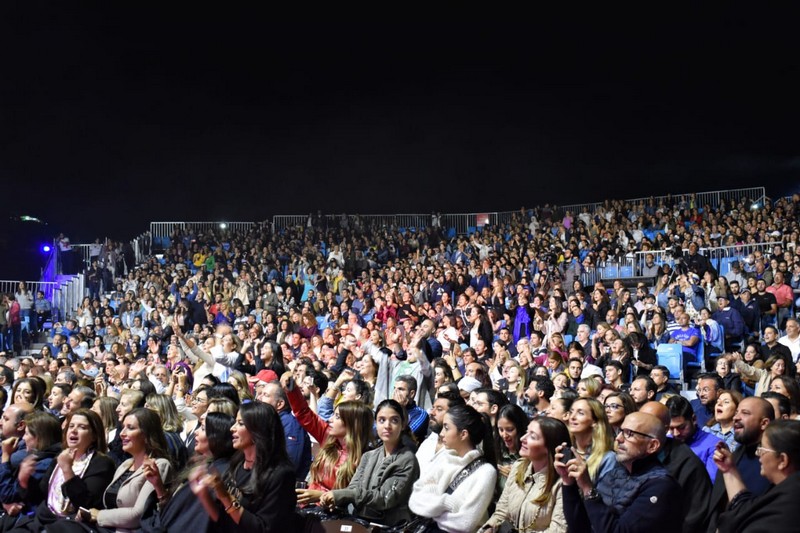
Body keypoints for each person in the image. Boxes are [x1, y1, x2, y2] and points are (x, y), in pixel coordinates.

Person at [46, 408, 173, 533]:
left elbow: (138, 515)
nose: (122, 433)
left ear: (146, 435)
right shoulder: (125, 465)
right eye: (123, 427)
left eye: (130, 428)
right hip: (107, 527)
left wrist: (98, 515)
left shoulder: (159, 465)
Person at [557, 411, 682, 533]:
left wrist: (587, 488)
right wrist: (568, 482)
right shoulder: (615, 473)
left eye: (629, 433)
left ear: (652, 446)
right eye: (620, 431)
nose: (619, 438)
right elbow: (579, 526)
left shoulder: (661, 486)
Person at [190, 402, 297, 532]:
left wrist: (226, 497)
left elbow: (262, 528)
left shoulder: (281, 474)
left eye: (240, 423)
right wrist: (203, 494)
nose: (232, 428)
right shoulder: (236, 463)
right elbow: (220, 518)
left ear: (258, 430)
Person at [11, 409, 116, 532]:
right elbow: (40, 496)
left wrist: (67, 469)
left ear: (94, 436)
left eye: (82, 427)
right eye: (71, 426)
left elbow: (86, 504)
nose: (74, 430)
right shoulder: (59, 457)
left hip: (71, 525)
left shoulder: (102, 463)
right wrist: (24, 480)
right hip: (43, 519)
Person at [319, 399, 419, 526]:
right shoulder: (368, 456)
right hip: (360, 522)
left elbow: (384, 498)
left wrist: (342, 494)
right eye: (382, 420)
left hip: (388, 526)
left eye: (394, 420)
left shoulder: (407, 459)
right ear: (376, 424)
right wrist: (334, 500)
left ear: (403, 424)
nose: (387, 426)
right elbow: (353, 489)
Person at [282, 372, 373, 505]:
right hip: (307, 507)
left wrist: (323, 496)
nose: (329, 419)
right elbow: (304, 414)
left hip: (332, 517)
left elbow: (356, 498)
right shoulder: (328, 436)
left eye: (336, 417)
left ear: (352, 425)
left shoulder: (365, 458)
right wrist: (292, 389)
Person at [139, 412, 236, 533]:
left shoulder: (217, 474)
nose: (196, 431)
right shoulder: (202, 466)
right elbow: (173, 513)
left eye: (203, 428)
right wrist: (158, 485)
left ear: (217, 436)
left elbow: (191, 522)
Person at [408, 404, 498, 533]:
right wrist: (446, 503)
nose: (441, 433)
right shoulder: (444, 457)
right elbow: (415, 499)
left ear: (463, 434)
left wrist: (432, 504)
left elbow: (464, 523)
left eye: (446, 428)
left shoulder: (485, 472)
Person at [482, 416, 571, 533]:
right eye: (526, 432)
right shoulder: (518, 467)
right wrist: (490, 528)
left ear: (549, 448)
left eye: (532, 436)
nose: (523, 438)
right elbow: (502, 512)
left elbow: (558, 530)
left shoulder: (562, 483)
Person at [714, 419, 800, 533]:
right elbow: (745, 509)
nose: (757, 454)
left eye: (762, 450)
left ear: (783, 460)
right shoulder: (785, 490)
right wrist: (729, 470)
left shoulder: (786, 513)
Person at [706, 396, 774, 532]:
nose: (736, 417)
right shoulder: (734, 456)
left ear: (764, 423)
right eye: (736, 412)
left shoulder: (772, 464)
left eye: (745, 413)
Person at [665, 395, 722, 480]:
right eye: (671, 428)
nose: (676, 433)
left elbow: (711, 483)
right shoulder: (666, 441)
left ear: (694, 419)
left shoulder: (714, 445)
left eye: (682, 427)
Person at [566, 398, 617, 483]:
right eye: (571, 412)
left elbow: (605, 494)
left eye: (580, 413)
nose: (572, 417)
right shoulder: (566, 451)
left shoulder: (607, 459)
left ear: (595, 422)